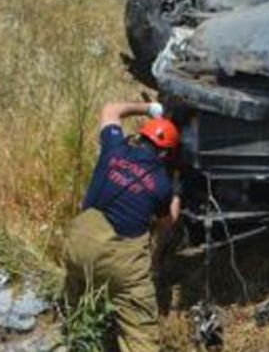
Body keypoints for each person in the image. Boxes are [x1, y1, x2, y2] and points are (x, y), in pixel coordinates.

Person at [64, 101, 180, 352]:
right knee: (142, 336)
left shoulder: (114, 148)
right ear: (166, 154)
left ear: (141, 136)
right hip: (120, 264)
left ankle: (76, 337)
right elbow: (167, 224)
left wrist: (148, 107)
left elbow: (110, 110)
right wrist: (177, 191)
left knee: (75, 300)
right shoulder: (161, 184)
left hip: (77, 246)